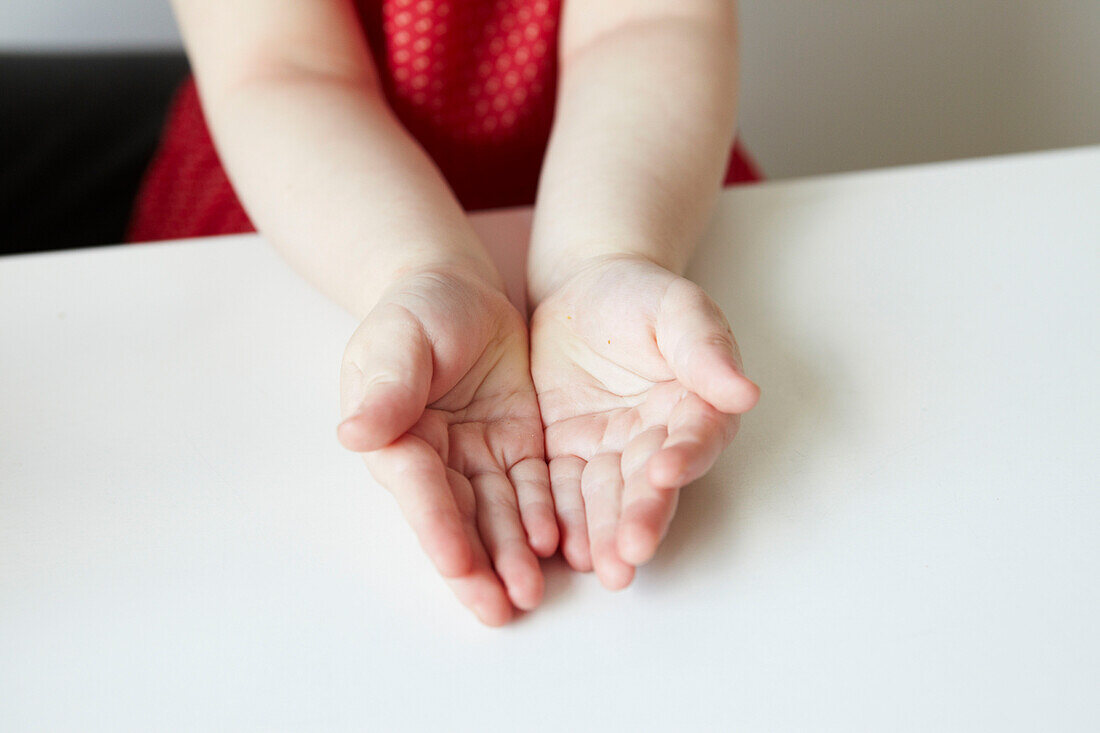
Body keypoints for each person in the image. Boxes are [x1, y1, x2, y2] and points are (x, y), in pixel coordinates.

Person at [134, 0, 761, 626]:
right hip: (328, 196)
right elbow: (285, 67)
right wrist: (421, 270)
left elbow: (648, 26)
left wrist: (601, 256)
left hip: (628, 171)